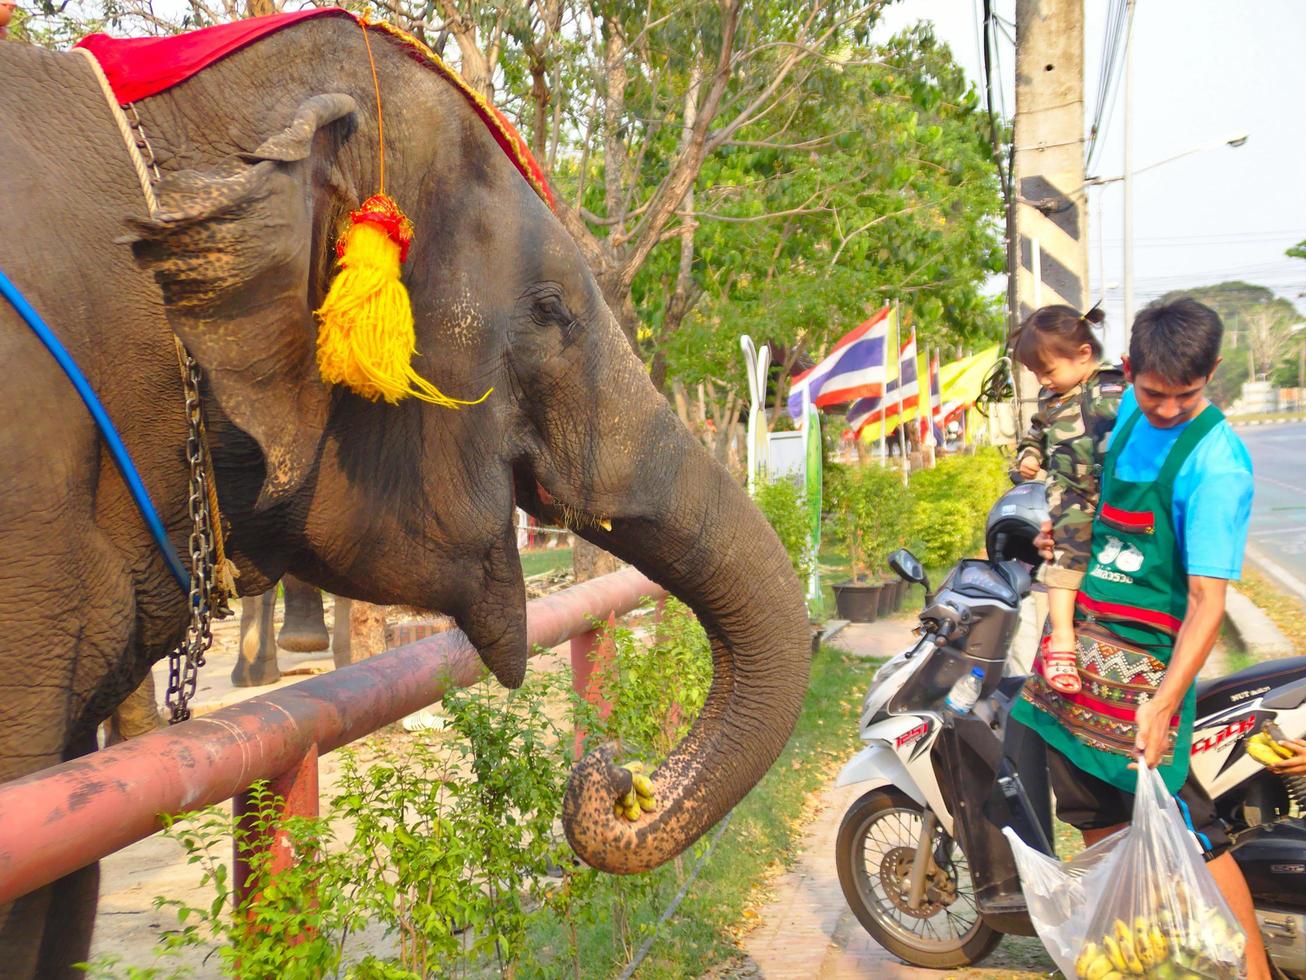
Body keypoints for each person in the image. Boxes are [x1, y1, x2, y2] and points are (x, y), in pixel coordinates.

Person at [1015, 297, 1269, 979]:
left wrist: (1162, 701)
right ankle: (1144, 962)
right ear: (1130, 371)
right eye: (1153, 393)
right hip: (1077, 661)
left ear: (1211, 372)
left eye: (1184, 396)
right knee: (1095, 818)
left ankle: (1253, 973)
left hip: (1147, 672)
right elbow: (1089, 503)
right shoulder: (1122, 410)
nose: (1164, 409)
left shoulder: (1217, 463)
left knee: (1188, 830)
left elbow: (1206, 603)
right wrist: (1063, 536)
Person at [1012, 305, 1125, 694]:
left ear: (1083, 354)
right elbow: (1035, 434)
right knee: (1063, 560)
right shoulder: (1050, 399)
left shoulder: (1117, 387)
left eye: (1048, 371)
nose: (1044, 380)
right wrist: (1028, 456)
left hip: (1115, 499)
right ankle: (1062, 640)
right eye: (1037, 374)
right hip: (1070, 499)